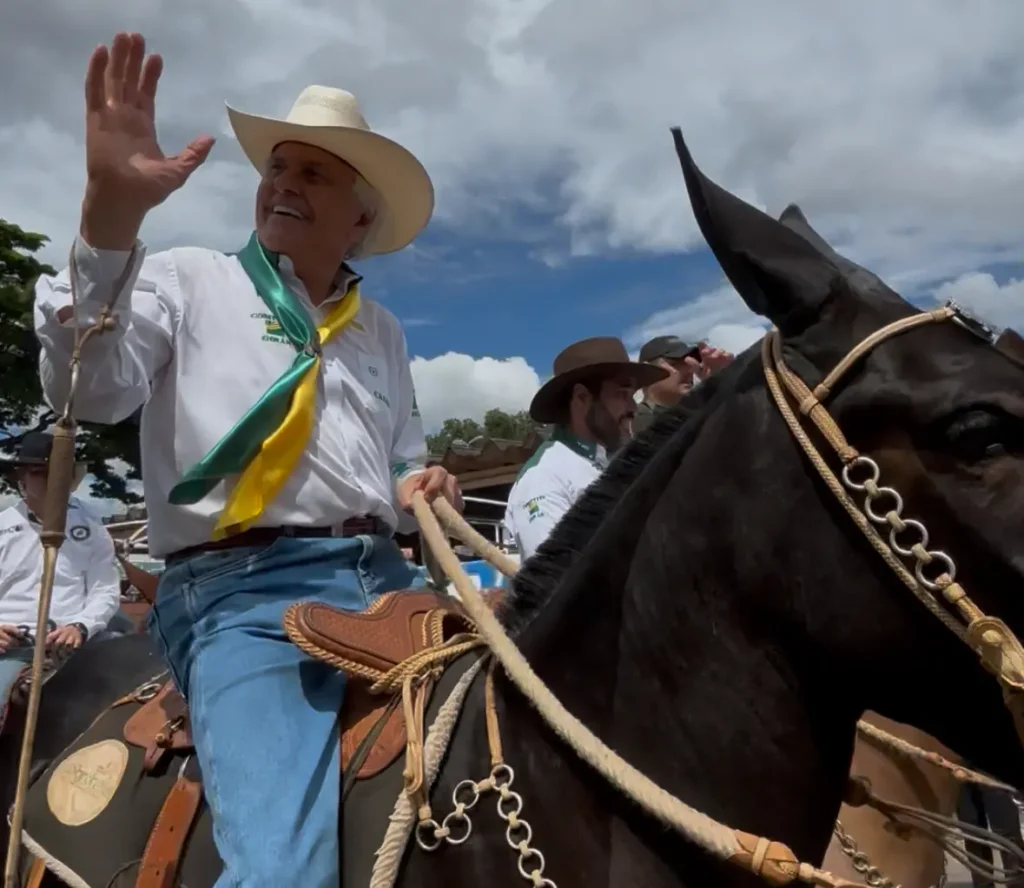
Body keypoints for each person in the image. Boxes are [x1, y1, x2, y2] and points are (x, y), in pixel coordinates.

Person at [33, 32, 462, 886]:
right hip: (243, 592)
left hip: (390, 579)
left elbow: (399, 461)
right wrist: (108, 219)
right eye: (278, 168)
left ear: (361, 219)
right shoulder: (189, 280)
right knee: (282, 873)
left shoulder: (382, 331)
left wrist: (423, 482)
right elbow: (89, 392)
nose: (283, 184)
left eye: (313, 174)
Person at [504, 337, 667, 562]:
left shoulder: (609, 463)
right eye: (622, 395)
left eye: (632, 396)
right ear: (582, 398)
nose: (632, 408)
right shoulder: (544, 478)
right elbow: (555, 581)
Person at [0, 431, 122, 704]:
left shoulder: (93, 526)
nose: (54, 481)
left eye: (61, 472)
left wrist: (81, 626)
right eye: (41, 472)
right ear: (21, 475)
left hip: (78, 646)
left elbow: (105, 590)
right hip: (13, 649)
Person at [632, 335, 735, 435]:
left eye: (689, 363)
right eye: (675, 363)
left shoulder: (699, 410)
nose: (689, 370)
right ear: (648, 372)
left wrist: (719, 383)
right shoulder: (630, 423)